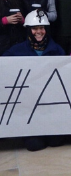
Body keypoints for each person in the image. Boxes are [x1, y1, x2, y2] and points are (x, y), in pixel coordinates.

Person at [3, 9, 65, 151]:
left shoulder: (57, 50)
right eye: (35, 28)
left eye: (42, 28)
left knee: (56, 141)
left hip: (50, 106)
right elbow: (4, 67)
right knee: (34, 145)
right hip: (28, 107)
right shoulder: (16, 51)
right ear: (29, 30)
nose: (39, 31)